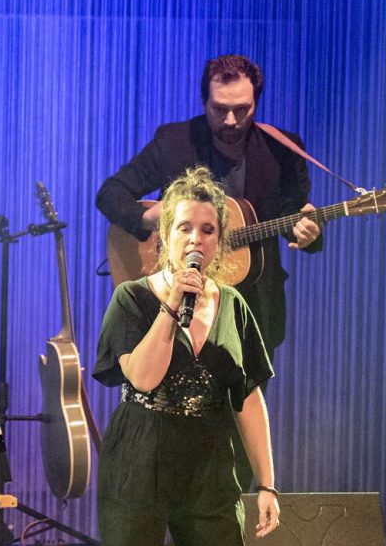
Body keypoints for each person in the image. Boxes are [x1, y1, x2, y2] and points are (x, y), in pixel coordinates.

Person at [90, 166, 281, 546]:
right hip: (140, 458)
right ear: (162, 238)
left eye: (207, 229)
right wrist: (174, 306)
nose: (195, 239)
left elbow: (248, 399)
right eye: (184, 229)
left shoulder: (236, 307)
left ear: (221, 239)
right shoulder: (134, 299)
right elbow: (141, 378)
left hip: (207, 462)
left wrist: (268, 484)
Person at [95, 54, 321, 360]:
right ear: (204, 103)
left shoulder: (281, 148)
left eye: (242, 110)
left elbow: (294, 213)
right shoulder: (174, 141)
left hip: (250, 309)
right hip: (176, 302)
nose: (230, 120)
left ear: (257, 102)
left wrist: (308, 232)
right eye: (220, 109)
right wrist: (148, 218)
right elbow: (110, 193)